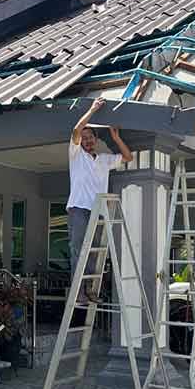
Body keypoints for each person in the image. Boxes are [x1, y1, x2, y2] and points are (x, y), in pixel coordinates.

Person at [67, 96, 134, 302]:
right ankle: (77, 293)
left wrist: (116, 138)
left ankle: (89, 290)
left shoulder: (104, 160)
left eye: (91, 137)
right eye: (85, 137)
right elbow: (76, 131)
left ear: (96, 140)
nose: (87, 140)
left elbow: (127, 157)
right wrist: (93, 110)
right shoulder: (76, 155)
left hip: (97, 210)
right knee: (79, 250)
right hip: (78, 208)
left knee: (94, 254)